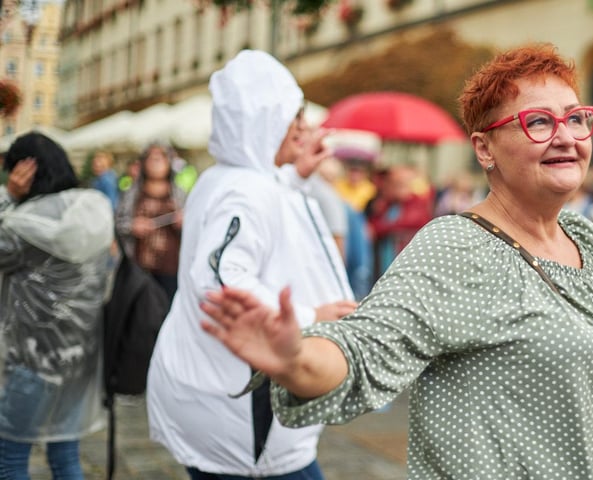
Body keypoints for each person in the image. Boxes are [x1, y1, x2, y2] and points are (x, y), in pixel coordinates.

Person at [199, 43, 593, 480]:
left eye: (576, 118)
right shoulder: (456, 247)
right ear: (485, 149)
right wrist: (296, 359)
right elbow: (364, 349)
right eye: (539, 122)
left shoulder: (585, 238)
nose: (567, 136)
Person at [145, 50, 357, 480]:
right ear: (266, 120)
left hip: (219, 395)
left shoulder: (224, 177)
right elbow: (220, 283)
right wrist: (308, 315)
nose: (302, 127)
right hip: (240, 412)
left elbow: (261, 208)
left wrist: (296, 175)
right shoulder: (245, 188)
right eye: (293, 116)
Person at [0, 132, 114, 478]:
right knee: (65, 454)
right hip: (79, 357)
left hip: (31, 360)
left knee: (9, 457)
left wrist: (7, 196)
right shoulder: (94, 208)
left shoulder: (22, 224)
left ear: (24, 171)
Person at [115, 141, 187, 304]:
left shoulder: (180, 194)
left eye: (160, 157)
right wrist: (132, 226)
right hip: (139, 268)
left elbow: (196, 226)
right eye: (151, 157)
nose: (156, 162)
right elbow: (117, 223)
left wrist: (184, 223)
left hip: (171, 268)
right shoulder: (131, 193)